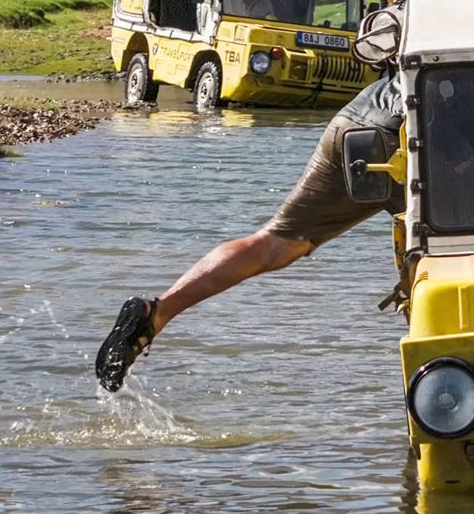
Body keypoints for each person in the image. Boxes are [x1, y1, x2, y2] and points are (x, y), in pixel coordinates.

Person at [95, 73, 405, 391]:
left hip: (353, 123)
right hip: (402, 133)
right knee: (443, 247)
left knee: (274, 244)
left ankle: (156, 313)